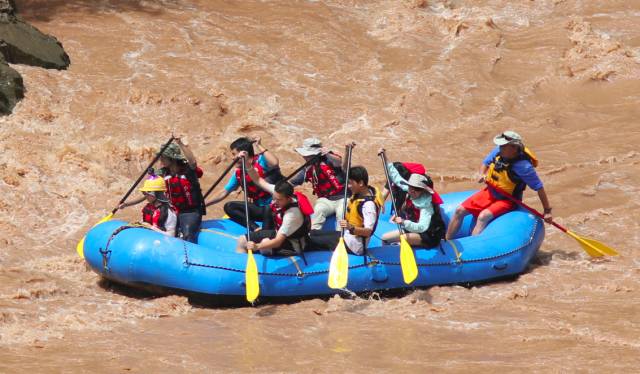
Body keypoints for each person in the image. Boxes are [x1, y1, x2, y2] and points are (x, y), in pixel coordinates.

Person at [445, 131, 552, 239]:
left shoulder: (524, 167)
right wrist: (481, 174)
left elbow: (539, 188)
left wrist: (547, 211)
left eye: (503, 146)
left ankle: (471, 248)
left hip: (508, 200)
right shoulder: (498, 151)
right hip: (490, 192)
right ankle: (446, 241)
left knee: (483, 217)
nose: (500, 147)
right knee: (459, 210)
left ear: (514, 148)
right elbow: (485, 163)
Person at [235, 151, 313, 256]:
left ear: (289, 198)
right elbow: (257, 179)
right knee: (241, 240)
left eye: (279, 200)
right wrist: (247, 164)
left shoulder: (292, 215)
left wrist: (257, 246)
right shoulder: (278, 192)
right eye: (274, 198)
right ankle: (242, 265)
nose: (275, 202)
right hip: (277, 232)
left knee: (264, 244)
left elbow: (278, 242)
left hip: (291, 244)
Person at [207, 136, 281, 231]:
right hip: (259, 209)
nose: (233, 158)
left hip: (274, 207)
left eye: (234, 154)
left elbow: (275, 162)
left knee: (268, 209)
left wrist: (259, 145)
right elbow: (224, 192)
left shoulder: (261, 160)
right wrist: (204, 204)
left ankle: (266, 233)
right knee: (229, 206)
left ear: (243, 153)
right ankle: (255, 228)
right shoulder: (239, 172)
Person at [309, 165, 383, 255]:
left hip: (353, 246)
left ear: (360, 183)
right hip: (346, 236)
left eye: (351, 183)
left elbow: (368, 231)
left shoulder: (368, 205)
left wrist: (350, 227)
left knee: (312, 241)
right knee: (313, 233)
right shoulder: (361, 193)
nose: (348, 186)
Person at [289, 138, 346, 230]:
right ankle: (313, 235)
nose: (305, 157)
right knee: (317, 211)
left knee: (341, 214)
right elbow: (291, 183)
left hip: (343, 198)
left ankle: (340, 238)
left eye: (308, 155)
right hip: (326, 200)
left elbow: (339, 161)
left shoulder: (329, 160)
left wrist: (327, 153)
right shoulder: (307, 169)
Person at [380, 168, 445, 248]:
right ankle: (387, 256)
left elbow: (422, 227)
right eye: (411, 187)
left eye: (417, 189)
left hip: (428, 235)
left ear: (423, 191)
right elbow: (397, 179)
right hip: (412, 229)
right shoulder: (409, 192)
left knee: (403, 238)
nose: (413, 191)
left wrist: (404, 222)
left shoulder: (426, 206)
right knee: (384, 238)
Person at [159, 137, 206, 243]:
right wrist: (127, 203)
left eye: (163, 157)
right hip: (173, 211)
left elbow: (193, 162)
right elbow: (151, 190)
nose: (160, 160)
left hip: (191, 211)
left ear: (172, 158)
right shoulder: (163, 173)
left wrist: (180, 143)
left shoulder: (188, 170)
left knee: (187, 235)